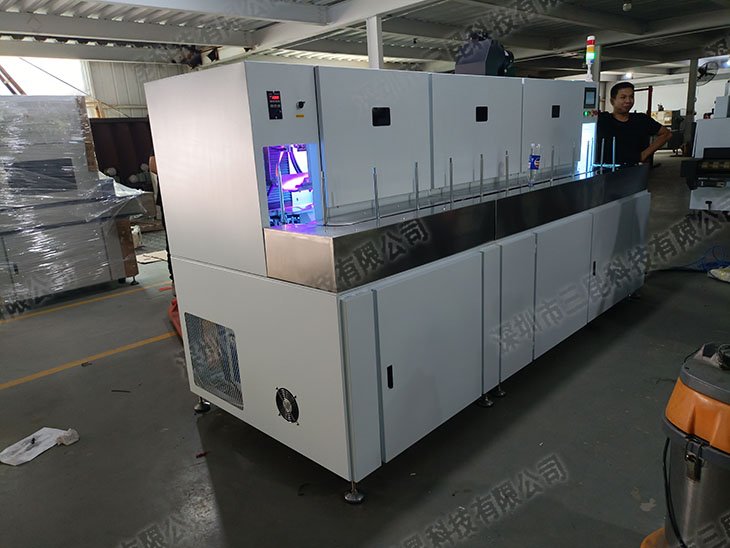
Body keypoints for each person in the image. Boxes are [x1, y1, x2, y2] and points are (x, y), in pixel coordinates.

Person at [596, 82, 672, 167]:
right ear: (612, 101)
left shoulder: (641, 120)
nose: (628, 101)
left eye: (631, 97)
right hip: (607, 170)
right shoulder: (603, 120)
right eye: (623, 97)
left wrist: (644, 154)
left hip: (636, 169)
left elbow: (666, 134)